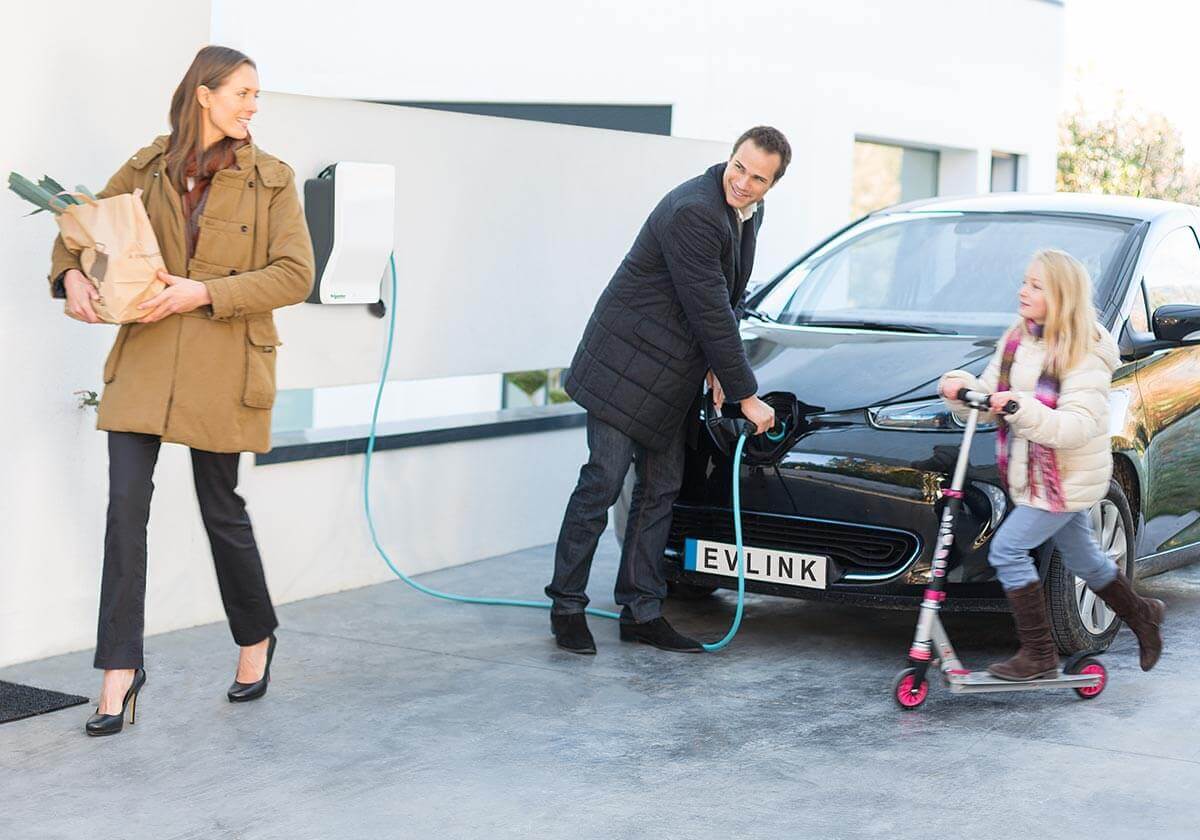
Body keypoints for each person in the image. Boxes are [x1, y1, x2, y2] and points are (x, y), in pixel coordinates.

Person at [49, 45, 315, 735]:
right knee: (124, 511)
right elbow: (82, 229)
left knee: (220, 508)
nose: (253, 105)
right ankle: (119, 672)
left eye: (256, 94)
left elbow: (296, 274)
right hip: (146, 358)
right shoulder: (145, 168)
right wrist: (70, 275)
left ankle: (255, 636)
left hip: (225, 363)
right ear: (205, 93)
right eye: (243, 92)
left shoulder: (272, 180)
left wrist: (205, 292)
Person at [545, 127, 790, 654]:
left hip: (672, 372)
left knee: (660, 489)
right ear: (729, 157)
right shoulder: (694, 212)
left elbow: (729, 295)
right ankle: (566, 606)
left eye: (758, 178)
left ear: (772, 185)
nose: (744, 183)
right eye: (739, 167)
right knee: (603, 482)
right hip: (623, 364)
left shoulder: (747, 211)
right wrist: (746, 394)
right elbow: (709, 308)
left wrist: (719, 370)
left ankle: (641, 611)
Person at [939, 248, 1164, 681]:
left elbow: (1078, 426)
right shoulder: (1018, 338)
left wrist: (1020, 408)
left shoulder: (1085, 351)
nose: (1023, 291)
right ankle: (1143, 615)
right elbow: (989, 394)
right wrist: (960, 388)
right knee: (1086, 560)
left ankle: (1039, 654)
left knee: (1007, 550)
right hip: (1035, 474)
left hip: (1066, 478)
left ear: (1061, 295)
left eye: (1036, 286)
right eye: (1025, 282)